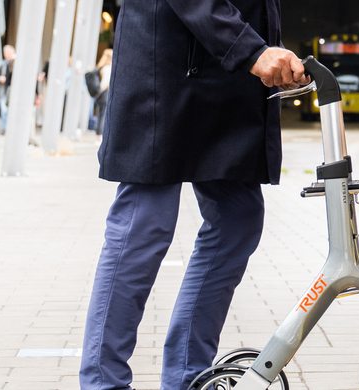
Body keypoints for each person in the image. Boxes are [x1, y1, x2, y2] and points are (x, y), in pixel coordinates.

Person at [77, 0, 305, 387]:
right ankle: (103, 381)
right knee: (144, 224)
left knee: (239, 218)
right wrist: (252, 49)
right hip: (164, 63)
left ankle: (188, 376)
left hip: (229, 76)